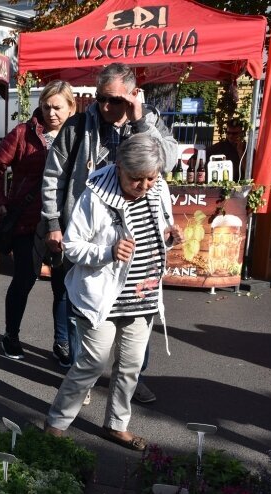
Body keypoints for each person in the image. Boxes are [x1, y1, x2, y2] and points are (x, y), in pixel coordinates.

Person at [41, 63, 178, 402]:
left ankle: (132, 377)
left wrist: (140, 119)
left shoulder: (149, 120)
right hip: (84, 230)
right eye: (101, 98)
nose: (105, 107)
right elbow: (52, 177)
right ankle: (81, 375)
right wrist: (53, 224)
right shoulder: (78, 126)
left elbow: (168, 160)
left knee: (137, 304)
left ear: (132, 95)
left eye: (114, 100)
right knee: (79, 304)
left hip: (136, 238)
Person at [43, 134, 181, 450]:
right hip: (101, 298)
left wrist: (170, 236)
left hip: (142, 295)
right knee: (92, 364)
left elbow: (160, 228)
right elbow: (73, 247)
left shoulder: (159, 189)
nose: (145, 185)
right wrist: (108, 252)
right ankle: (56, 423)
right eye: (137, 179)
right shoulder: (94, 196)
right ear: (119, 167)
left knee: (130, 366)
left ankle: (116, 425)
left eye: (152, 177)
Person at [0, 80, 76, 361]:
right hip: (27, 220)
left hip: (68, 222)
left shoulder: (79, 135)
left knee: (63, 285)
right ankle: (11, 334)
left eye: (58, 107)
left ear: (71, 107)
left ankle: (61, 342)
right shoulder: (25, 132)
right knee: (23, 279)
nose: (51, 113)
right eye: (46, 106)